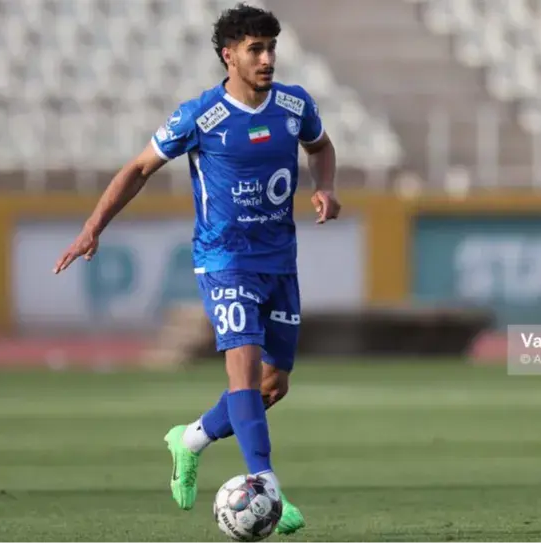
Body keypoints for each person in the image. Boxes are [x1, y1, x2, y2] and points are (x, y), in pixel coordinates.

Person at [52, 3, 340, 536]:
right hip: (224, 261)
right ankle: (267, 487)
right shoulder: (200, 116)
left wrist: (325, 186)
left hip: (280, 260)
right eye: (255, 49)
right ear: (229, 56)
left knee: (272, 386)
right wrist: (93, 227)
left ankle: (189, 440)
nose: (267, 59)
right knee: (244, 374)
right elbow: (138, 168)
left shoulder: (294, 104)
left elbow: (320, 147)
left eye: (271, 48)